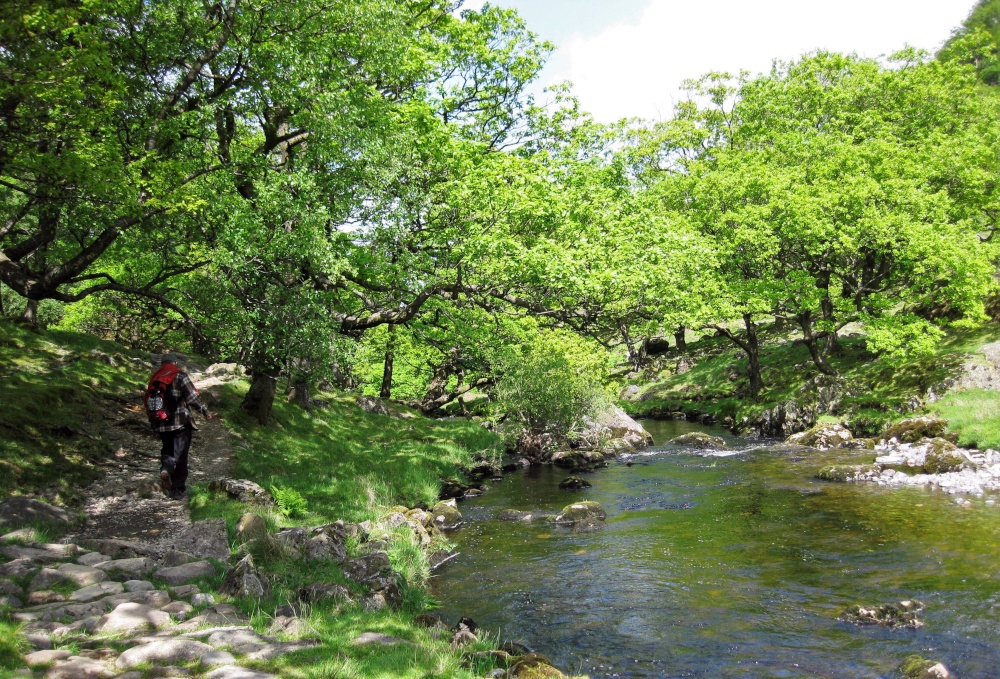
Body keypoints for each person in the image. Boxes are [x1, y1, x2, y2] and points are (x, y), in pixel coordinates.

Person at [147, 353, 211, 500]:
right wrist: (205, 411)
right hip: (180, 422)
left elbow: (149, 401)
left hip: (162, 423)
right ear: (175, 363)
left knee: (167, 449)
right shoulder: (179, 376)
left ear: (162, 363)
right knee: (181, 455)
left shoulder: (155, 377)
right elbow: (192, 397)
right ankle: (177, 489)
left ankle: (166, 468)